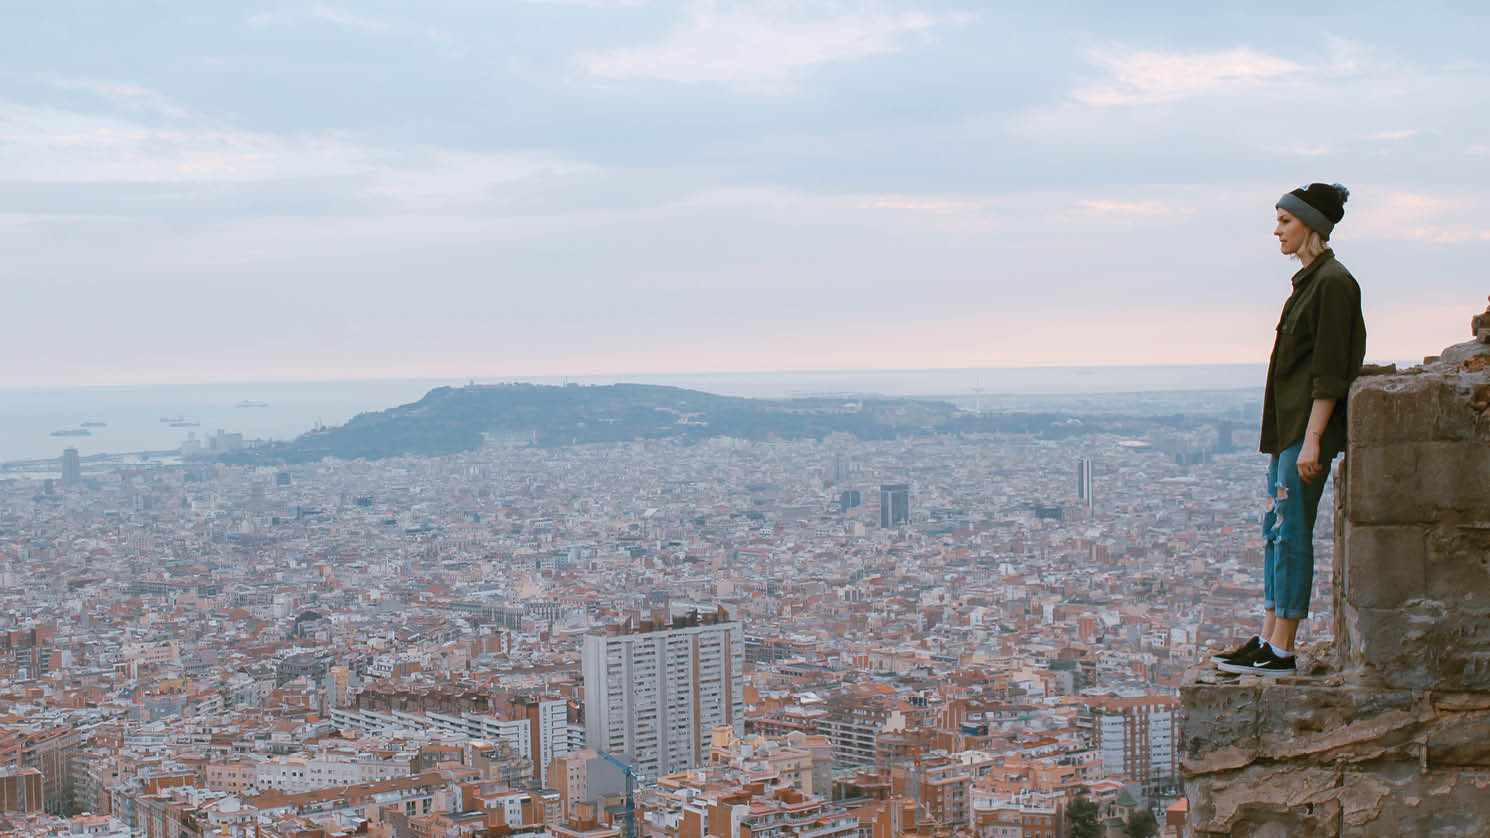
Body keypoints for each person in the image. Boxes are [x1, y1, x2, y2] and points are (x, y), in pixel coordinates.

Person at [1214, 183, 1366, 675]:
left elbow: (1329, 370)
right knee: (1276, 529)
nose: (1276, 230)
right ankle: (1268, 636)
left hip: (1306, 430)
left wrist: (1315, 440)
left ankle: (1283, 650)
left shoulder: (1333, 283)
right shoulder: (1309, 282)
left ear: (1311, 226)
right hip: (1289, 430)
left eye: (1284, 221)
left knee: (1293, 530)